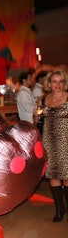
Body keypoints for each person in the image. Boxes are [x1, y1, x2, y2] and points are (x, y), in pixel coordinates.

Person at [40, 69, 68, 222]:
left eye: (60, 81)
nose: (57, 84)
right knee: (53, 174)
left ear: (64, 83)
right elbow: (38, 120)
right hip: (49, 141)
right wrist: (36, 115)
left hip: (65, 140)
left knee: (67, 175)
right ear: (49, 84)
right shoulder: (44, 99)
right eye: (54, 81)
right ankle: (59, 210)